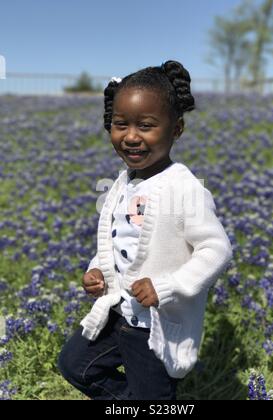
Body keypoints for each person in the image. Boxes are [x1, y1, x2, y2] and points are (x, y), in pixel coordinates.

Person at [58, 60, 233, 400]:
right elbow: (116, 237)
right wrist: (97, 268)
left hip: (156, 326)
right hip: (117, 310)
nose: (132, 136)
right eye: (120, 125)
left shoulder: (185, 188)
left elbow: (217, 249)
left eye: (147, 126)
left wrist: (167, 286)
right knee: (75, 365)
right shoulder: (122, 182)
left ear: (176, 129)